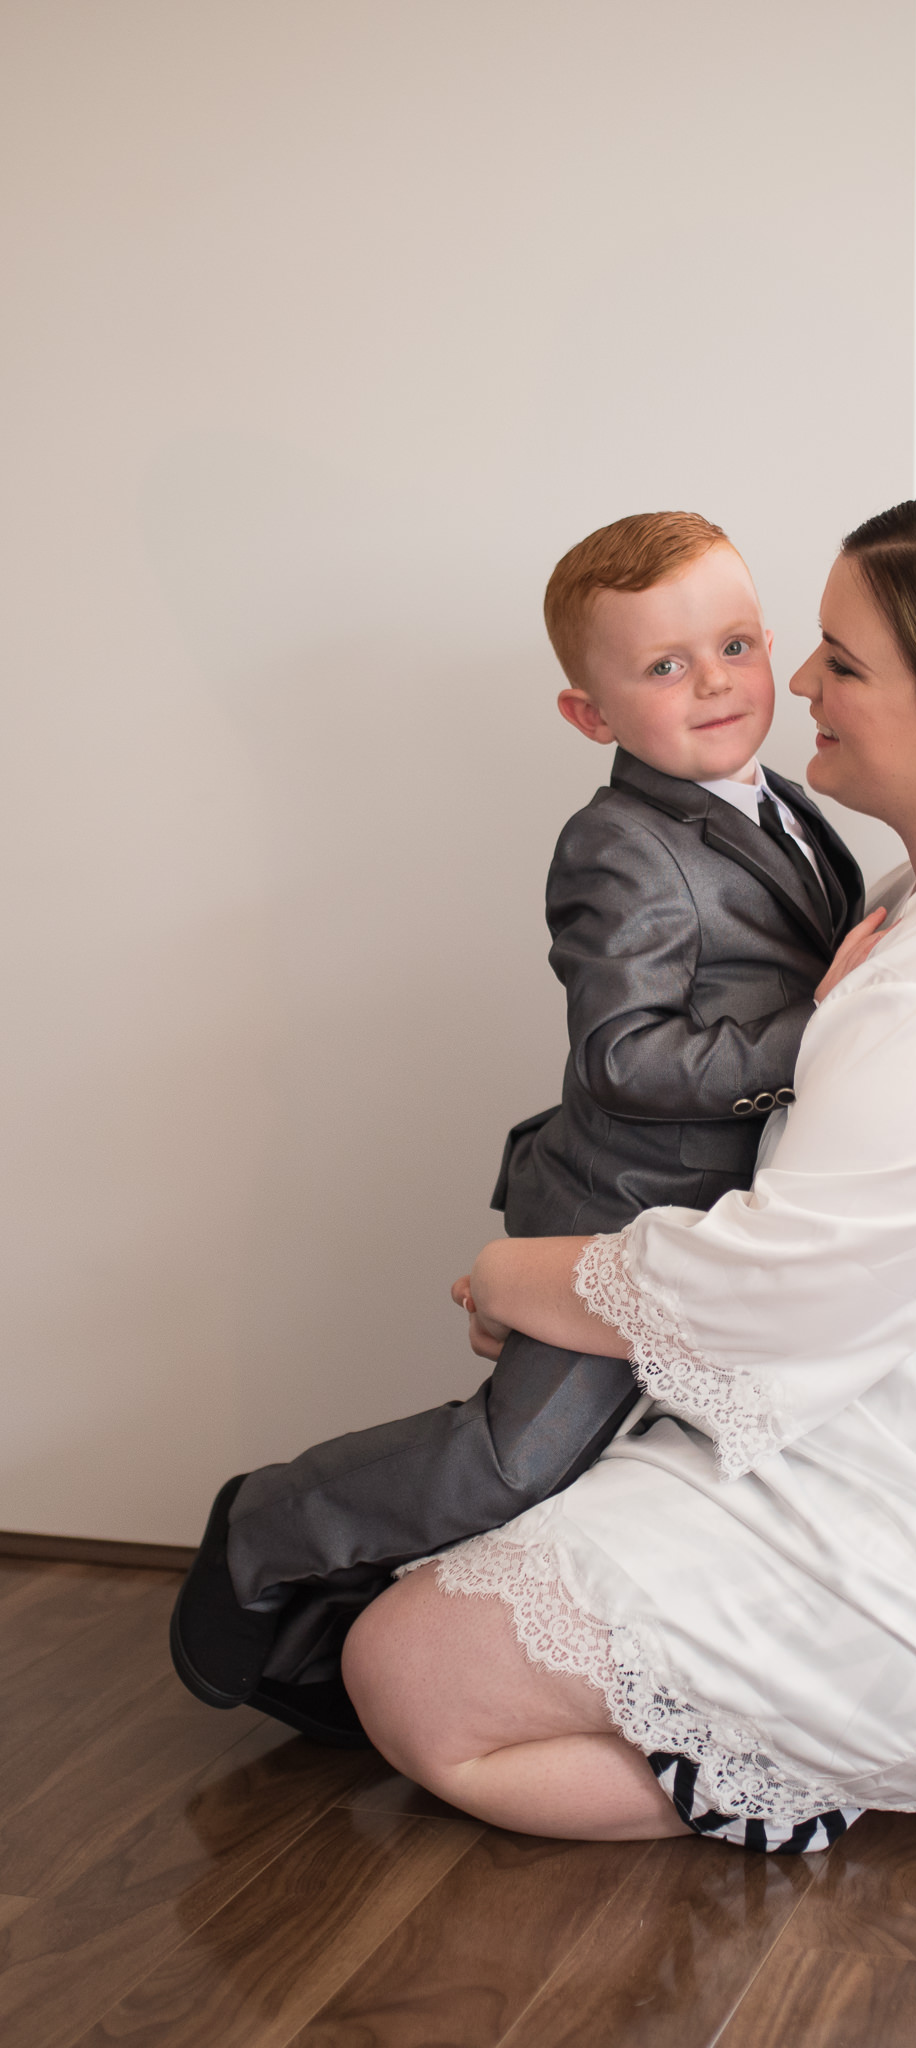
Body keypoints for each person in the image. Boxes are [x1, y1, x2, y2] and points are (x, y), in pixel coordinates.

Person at [339, 494, 916, 1853]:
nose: (798, 684)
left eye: (841, 660)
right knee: (470, 1581)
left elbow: (779, 1293)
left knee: (410, 1682)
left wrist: (517, 1272)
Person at [169, 512, 865, 1747]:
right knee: (519, 1458)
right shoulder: (620, 847)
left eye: (737, 643)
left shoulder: (794, 809)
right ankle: (265, 1530)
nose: (715, 681)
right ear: (588, 717)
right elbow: (623, 1056)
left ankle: (425, 1628)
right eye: (663, 666)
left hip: (714, 1213)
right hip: (618, 1200)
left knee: (624, 1471)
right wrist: (825, 1031)